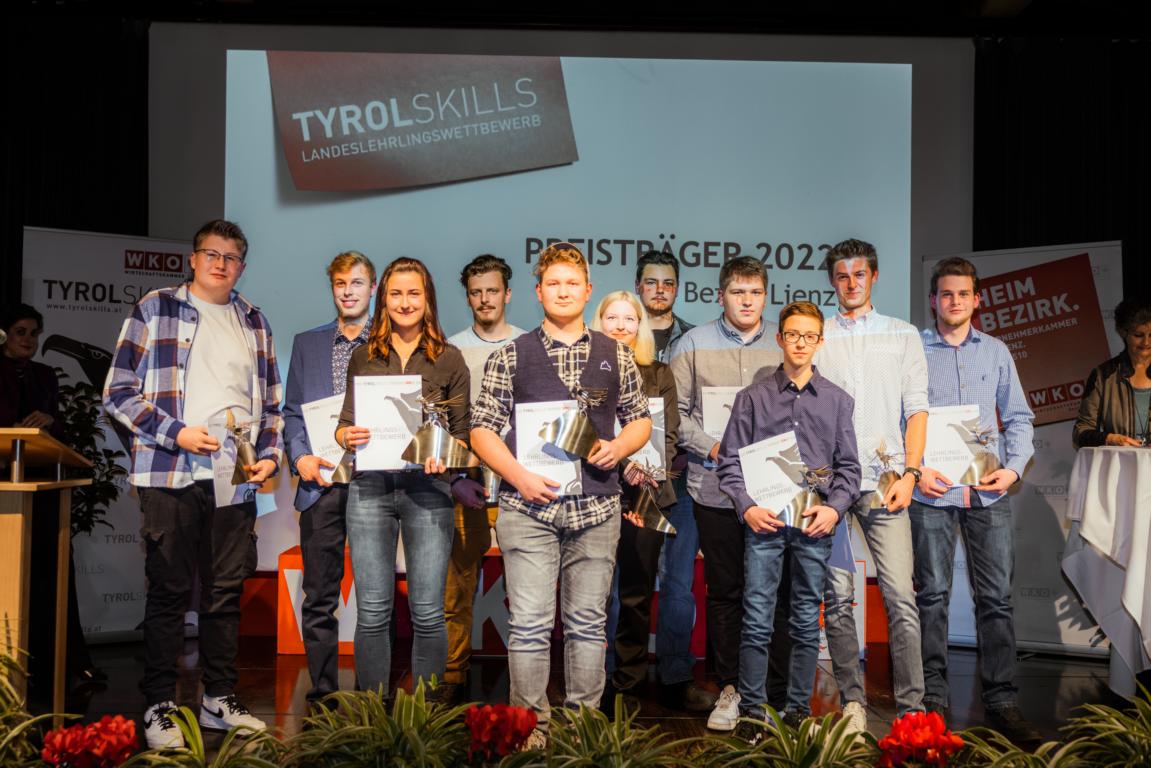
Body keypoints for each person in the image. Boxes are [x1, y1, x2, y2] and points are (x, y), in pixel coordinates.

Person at [104, 220, 278, 749]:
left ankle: (218, 697)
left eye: (231, 257)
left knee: (225, 594)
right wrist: (177, 433)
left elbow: (269, 401)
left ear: (241, 267)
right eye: (211, 253)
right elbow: (118, 392)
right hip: (170, 472)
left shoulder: (253, 319)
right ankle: (159, 704)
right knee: (169, 592)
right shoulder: (156, 308)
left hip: (235, 478)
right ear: (193, 259)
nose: (220, 263)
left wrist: (268, 456)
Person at [469, 242, 651, 744]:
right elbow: (482, 429)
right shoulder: (510, 354)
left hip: (596, 508)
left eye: (573, 283)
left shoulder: (616, 353)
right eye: (554, 283)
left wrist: (618, 446)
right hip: (527, 508)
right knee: (527, 624)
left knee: (588, 624)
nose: (564, 291)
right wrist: (519, 476)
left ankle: (581, 728)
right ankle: (530, 727)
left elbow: (640, 420)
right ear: (538, 291)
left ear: (587, 290)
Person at [911, 257, 1040, 742]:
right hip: (932, 494)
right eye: (946, 294)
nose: (954, 302)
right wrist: (915, 469)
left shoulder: (997, 352)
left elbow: (1020, 417)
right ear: (933, 300)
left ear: (976, 299)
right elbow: (902, 418)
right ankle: (934, 701)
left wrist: (1012, 467)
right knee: (933, 598)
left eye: (963, 294)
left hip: (988, 494)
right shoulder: (914, 351)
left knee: (996, 600)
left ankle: (1003, 700)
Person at [717, 301, 860, 737]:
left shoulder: (837, 401)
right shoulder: (751, 399)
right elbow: (729, 464)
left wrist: (834, 508)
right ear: (779, 338)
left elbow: (850, 470)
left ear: (820, 341)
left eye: (809, 336)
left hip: (812, 528)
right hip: (766, 525)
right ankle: (753, 711)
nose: (800, 343)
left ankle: (798, 711)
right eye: (792, 334)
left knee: (803, 619)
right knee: (757, 616)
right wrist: (747, 506)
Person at [334, 257, 471, 698]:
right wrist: (345, 434)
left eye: (414, 293)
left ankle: (423, 719)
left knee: (428, 610)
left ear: (427, 299)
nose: (405, 302)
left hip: (428, 489)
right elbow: (344, 423)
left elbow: (465, 435)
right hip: (371, 487)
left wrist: (444, 457)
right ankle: (372, 716)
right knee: (372, 610)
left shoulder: (450, 359)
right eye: (396, 293)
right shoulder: (364, 356)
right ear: (383, 300)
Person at [815, 237, 928, 730]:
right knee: (838, 597)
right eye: (842, 276)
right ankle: (853, 702)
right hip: (833, 484)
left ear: (874, 276)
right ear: (833, 281)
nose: (851, 283)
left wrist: (911, 473)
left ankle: (912, 710)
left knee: (901, 596)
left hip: (887, 483)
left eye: (859, 274)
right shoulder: (818, 336)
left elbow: (917, 409)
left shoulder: (902, 334)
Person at [668, 256, 782, 731]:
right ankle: (731, 685)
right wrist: (712, 444)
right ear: (721, 296)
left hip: (775, 491)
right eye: (738, 292)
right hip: (713, 487)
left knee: (773, 591)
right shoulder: (691, 344)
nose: (747, 301)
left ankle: (771, 692)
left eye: (755, 292)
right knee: (726, 591)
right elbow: (677, 415)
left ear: (765, 296)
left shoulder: (782, 342)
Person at [282, 251, 377, 706]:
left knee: (375, 599)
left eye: (357, 283)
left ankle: (369, 692)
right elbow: (291, 412)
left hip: (374, 486)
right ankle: (322, 693)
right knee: (319, 596)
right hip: (319, 485)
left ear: (372, 288)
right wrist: (299, 457)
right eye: (340, 282)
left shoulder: (390, 344)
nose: (348, 290)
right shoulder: (307, 343)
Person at [590, 291, 680, 709]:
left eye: (630, 318)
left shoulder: (659, 372)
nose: (621, 326)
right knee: (594, 591)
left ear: (641, 326)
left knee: (636, 591)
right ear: (599, 321)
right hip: (596, 486)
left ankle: (627, 682)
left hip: (646, 493)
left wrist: (645, 465)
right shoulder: (586, 370)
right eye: (613, 318)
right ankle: (592, 679)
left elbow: (670, 436)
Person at [443, 254, 527, 697]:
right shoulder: (450, 349)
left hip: (519, 482)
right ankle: (453, 676)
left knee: (525, 586)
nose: (484, 299)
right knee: (457, 585)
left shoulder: (530, 344)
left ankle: (525, 679)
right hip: (467, 482)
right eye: (476, 292)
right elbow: (443, 420)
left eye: (492, 290)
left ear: (507, 294)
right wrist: (456, 478)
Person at [634, 251, 712, 711]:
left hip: (681, 480)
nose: (659, 290)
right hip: (627, 481)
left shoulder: (694, 339)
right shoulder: (616, 332)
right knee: (626, 580)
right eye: (651, 282)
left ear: (677, 289)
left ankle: (676, 675)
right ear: (638, 286)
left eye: (668, 283)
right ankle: (616, 676)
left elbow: (697, 410)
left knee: (679, 583)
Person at [1073, 298, 1151, 448]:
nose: (1146, 342)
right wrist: (1110, 439)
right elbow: (1080, 433)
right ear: (1122, 332)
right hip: (1120, 467)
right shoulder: (1103, 375)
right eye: (1138, 335)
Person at [1, 303, 63, 437]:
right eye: (20, 332)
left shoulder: (45, 374)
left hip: (35, 454)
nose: (28, 339)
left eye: (33, 334)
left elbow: (59, 430)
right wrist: (11, 426)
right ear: (4, 334)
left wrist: (50, 422)